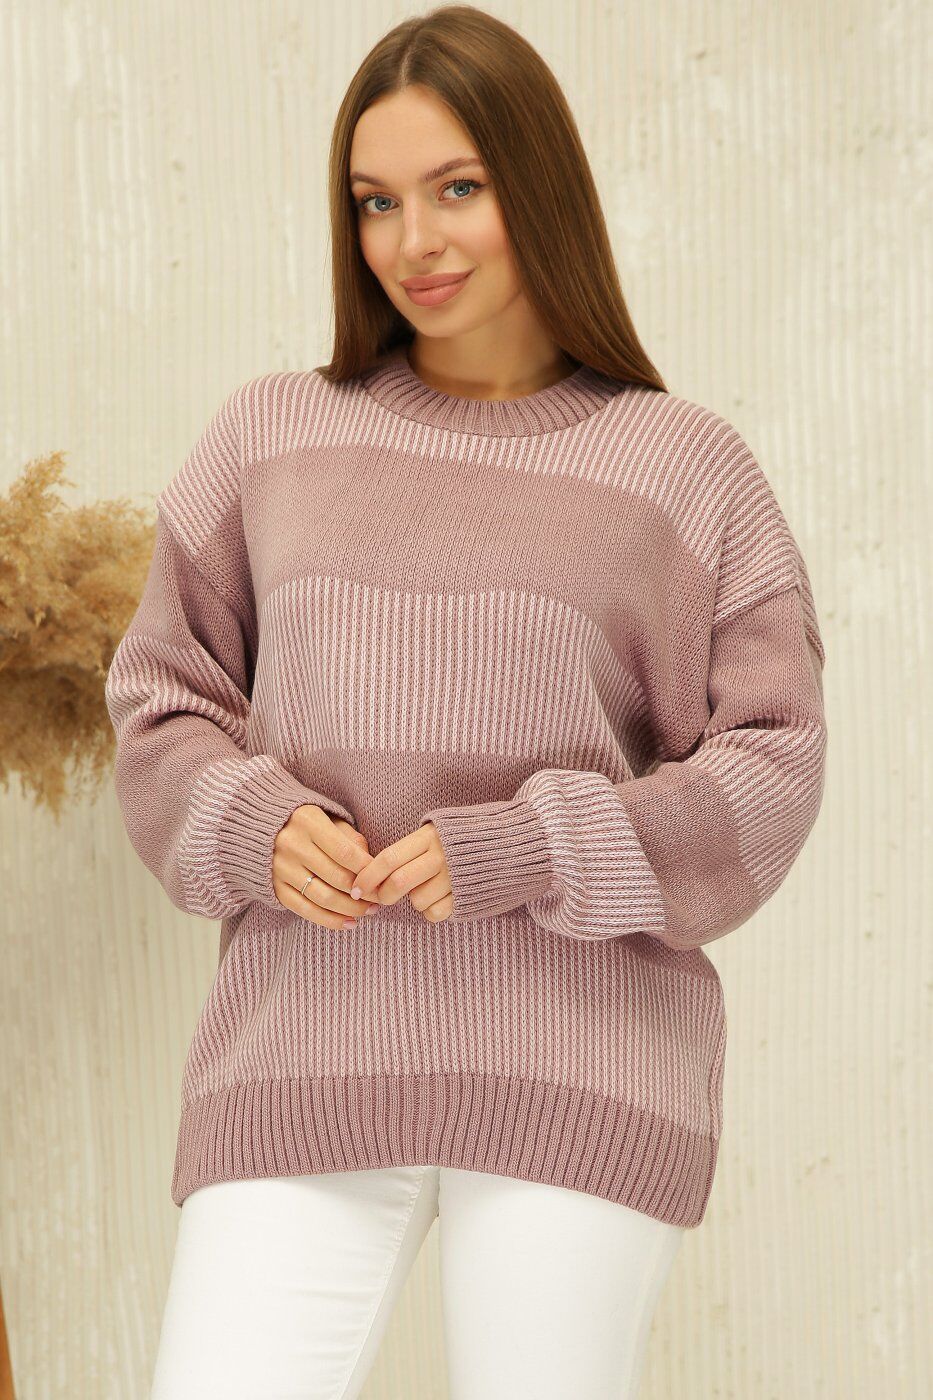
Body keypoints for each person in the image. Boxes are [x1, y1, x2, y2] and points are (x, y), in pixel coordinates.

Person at [105, 7, 828, 1398]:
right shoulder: (270, 435)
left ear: (537, 187)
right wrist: (250, 821)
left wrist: (539, 847)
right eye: (375, 201)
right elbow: (160, 700)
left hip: (579, 1062)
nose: (413, 242)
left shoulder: (684, 469)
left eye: (456, 189)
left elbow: (770, 770)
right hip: (301, 1051)